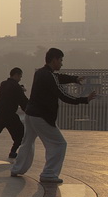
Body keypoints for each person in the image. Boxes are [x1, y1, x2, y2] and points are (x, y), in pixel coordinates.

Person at [11, 48, 97, 184]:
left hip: (30, 114)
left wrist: (74, 79)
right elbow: (63, 95)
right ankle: (49, 174)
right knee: (59, 144)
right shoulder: (49, 76)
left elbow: (57, 78)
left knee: (27, 143)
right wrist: (84, 99)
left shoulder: (40, 73)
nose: (62, 64)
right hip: (41, 116)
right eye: (61, 60)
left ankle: (17, 169)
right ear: (54, 60)